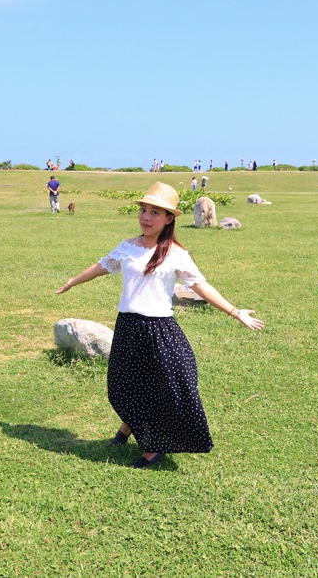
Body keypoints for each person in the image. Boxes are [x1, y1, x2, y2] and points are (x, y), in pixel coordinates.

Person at [56, 182, 264, 469]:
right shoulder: (128, 247)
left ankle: (154, 447)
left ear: (169, 219)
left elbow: (201, 286)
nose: (146, 217)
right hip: (128, 326)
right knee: (121, 386)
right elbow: (101, 266)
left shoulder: (176, 253)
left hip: (159, 330)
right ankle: (129, 424)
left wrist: (234, 311)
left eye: (156, 212)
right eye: (143, 210)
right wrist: (72, 281)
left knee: (167, 388)